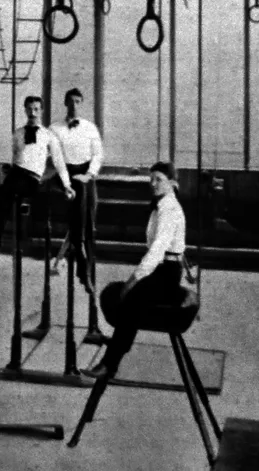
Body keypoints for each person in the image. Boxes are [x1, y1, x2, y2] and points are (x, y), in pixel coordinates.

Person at [83, 162, 186, 380]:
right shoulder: (162, 205)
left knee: (130, 296)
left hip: (167, 272)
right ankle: (120, 340)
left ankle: (109, 364)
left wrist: (135, 278)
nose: (153, 184)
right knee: (114, 291)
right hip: (163, 268)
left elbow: (157, 251)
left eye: (158, 179)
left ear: (172, 183)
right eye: (151, 179)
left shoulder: (169, 209)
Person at [0, 95, 74, 278]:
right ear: (25, 110)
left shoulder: (49, 136)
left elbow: (59, 163)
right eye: (29, 109)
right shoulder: (17, 133)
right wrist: (9, 169)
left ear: (41, 111)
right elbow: (15, 157)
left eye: (36, 109)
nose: (33, 113)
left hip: (32, 180)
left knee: (1, 194)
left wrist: (67, 186)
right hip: (16, 175)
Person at [49, 87, 105, 293]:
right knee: (78, 217)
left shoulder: (90, 128)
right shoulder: (54, 128)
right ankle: (83, 271)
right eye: (70, 101)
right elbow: (57, 160)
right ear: (65, 103)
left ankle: (85, 268)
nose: (74, 105)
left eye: (78, 101)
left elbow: (98, 155)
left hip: (86, 175)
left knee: (88, 224)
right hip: (65, 174)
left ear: (81, 103)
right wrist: (66, 183)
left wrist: (89, 175)